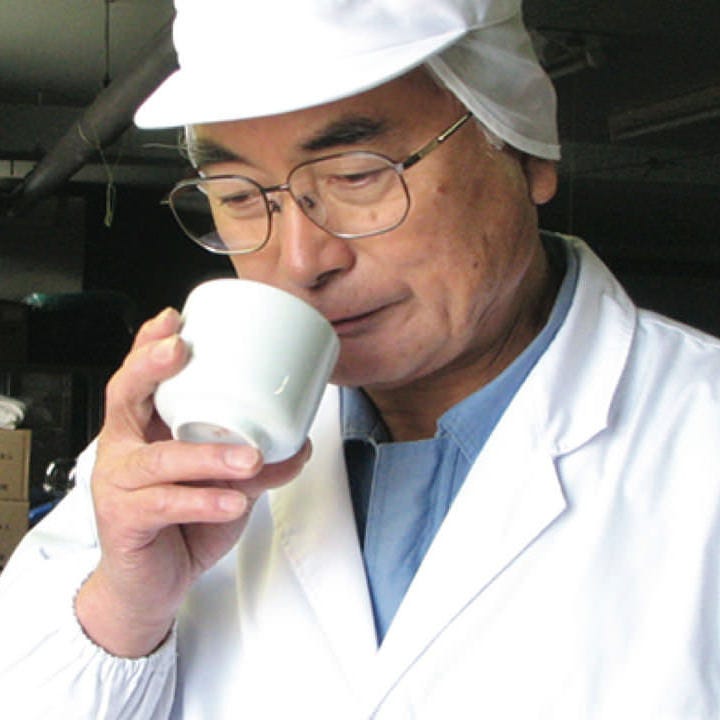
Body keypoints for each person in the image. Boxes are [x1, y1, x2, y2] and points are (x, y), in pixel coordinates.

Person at [0, 0, 718, 717]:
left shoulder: (698, 437)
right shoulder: (165, 456)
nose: (300, 259)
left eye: (356, 176)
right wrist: (123, 611)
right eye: (239, 195)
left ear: (525, 150)